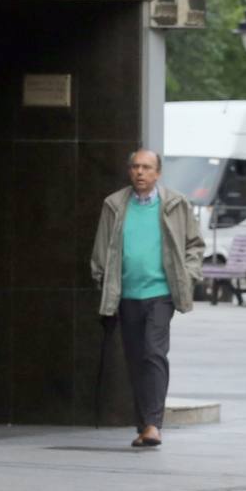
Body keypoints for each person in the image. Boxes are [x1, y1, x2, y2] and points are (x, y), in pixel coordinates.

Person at [90, 149, 205, 448]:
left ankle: (153, 424)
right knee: (135, 359)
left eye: (146, 167)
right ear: (129, 172)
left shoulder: (176, 204)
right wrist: (103, 283)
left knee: (153, 353)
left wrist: (188, 275)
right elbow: (101, 252)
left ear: (158, 173)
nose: (140, 172)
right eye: (135, 167)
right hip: (126, 295)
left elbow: (194, 244)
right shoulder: (114, 205)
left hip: (160, 294)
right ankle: (143, 426)